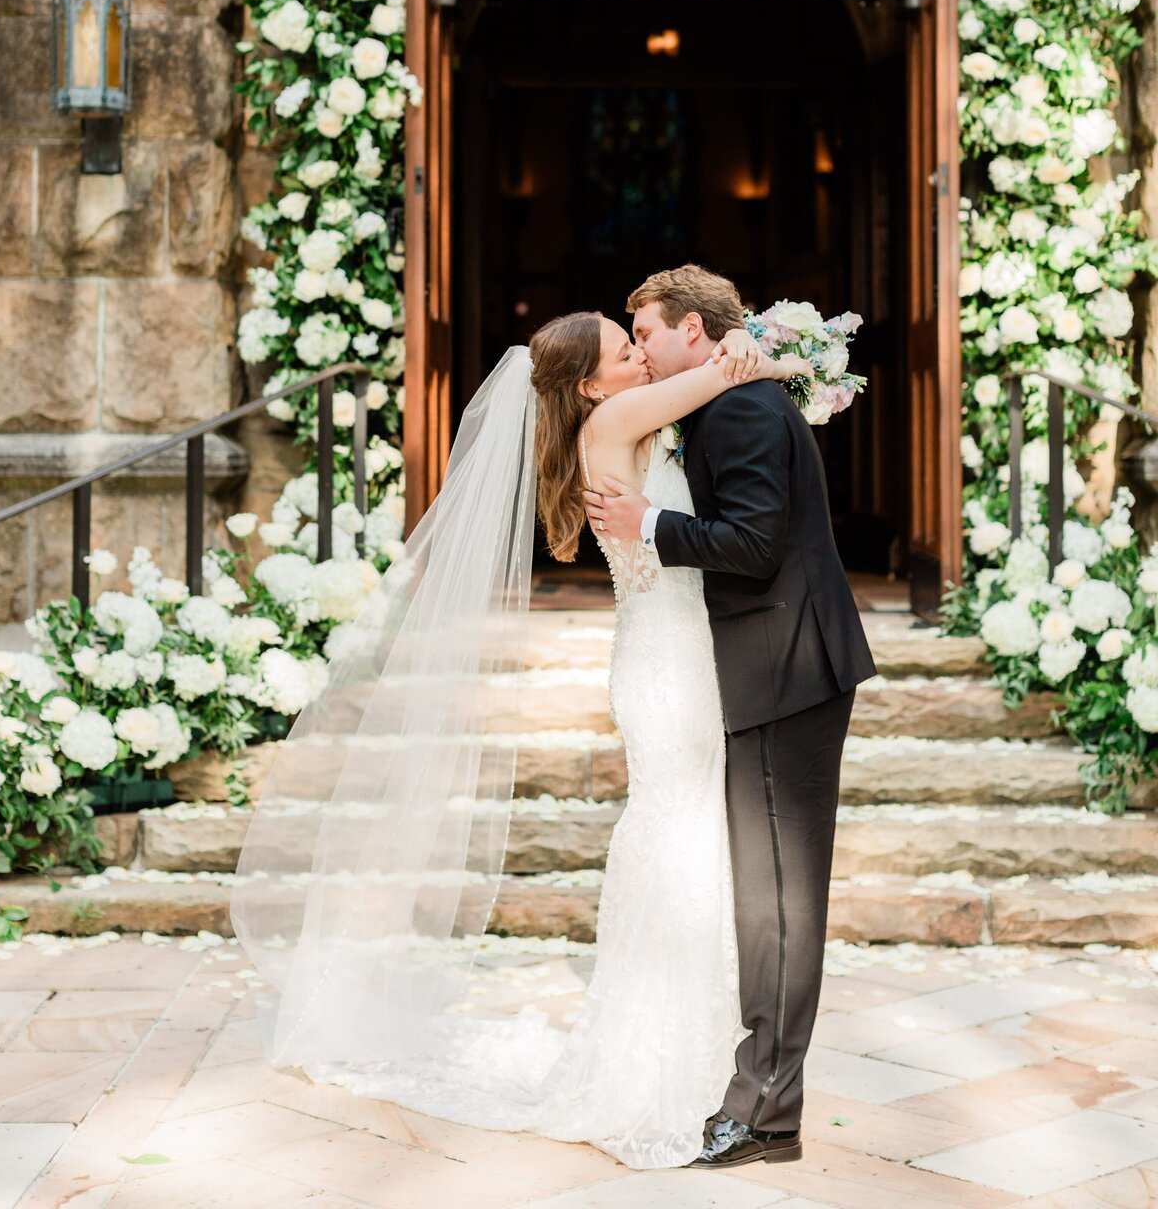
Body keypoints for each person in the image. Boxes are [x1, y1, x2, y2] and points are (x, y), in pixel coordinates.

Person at [233, 305, 810, 1171]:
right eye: (625, 350)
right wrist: (759, 347)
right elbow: (731, 373)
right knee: (677, 832)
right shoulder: (616, 420)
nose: (640, 359)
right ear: (589, 384)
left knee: (684, 830)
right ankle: (663, 1061)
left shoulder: (629, 418)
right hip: (669, 667)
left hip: (680, 653)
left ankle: (692, 1052)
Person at [584, 264, 879, 1171]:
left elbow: (751, 545)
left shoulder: (742, 407)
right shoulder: (715, 403)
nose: (641, 353)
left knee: (778, 902)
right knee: (768, 898)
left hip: (784, 669)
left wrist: (647, 525)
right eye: (629, 345)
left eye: (647, 336)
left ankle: (764, 1108)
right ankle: (767, 1102)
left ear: (694, 333)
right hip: (762, 671)